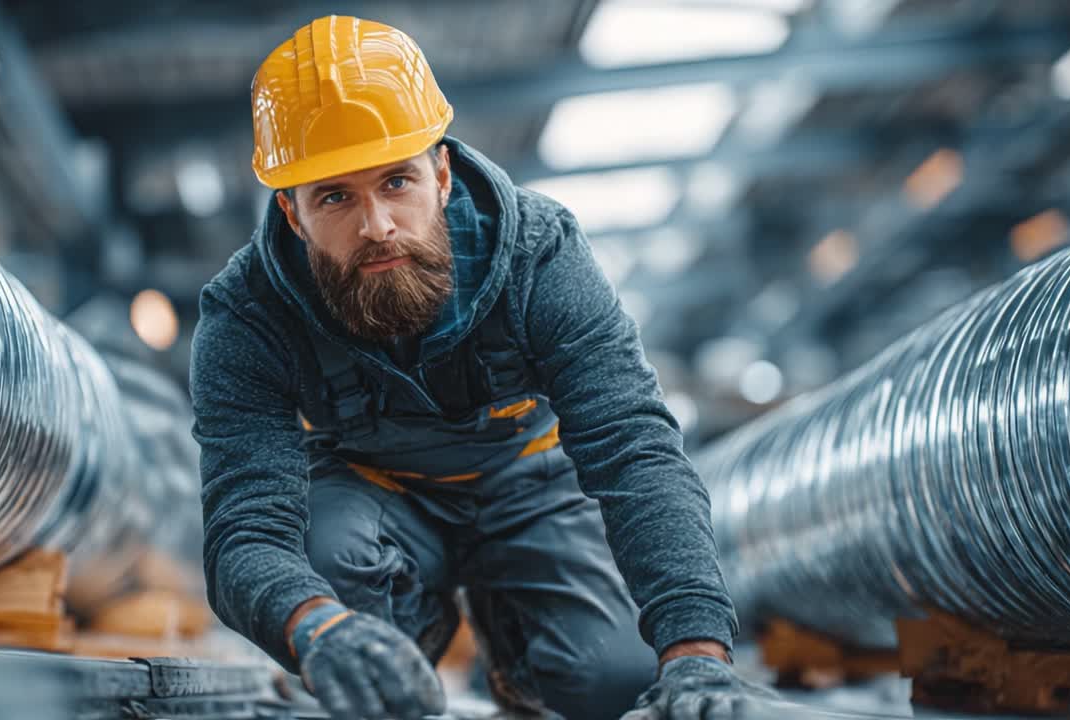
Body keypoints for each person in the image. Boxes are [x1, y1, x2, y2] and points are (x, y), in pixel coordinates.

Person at [191, 15, 774, 720]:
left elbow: (634, 447)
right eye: (335, 197)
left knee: (615, 682)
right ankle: (403, 633)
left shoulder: (538, 255)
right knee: (328, 556)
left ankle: (517, 638)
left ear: (440, 174)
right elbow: (245, 530)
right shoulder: (245, 315)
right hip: (378, 503)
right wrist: (317, 626)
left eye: (396, 181)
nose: (375, 225)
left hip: (530, 485)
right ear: (292, 213)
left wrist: (697, 654)